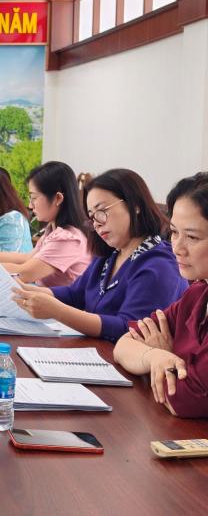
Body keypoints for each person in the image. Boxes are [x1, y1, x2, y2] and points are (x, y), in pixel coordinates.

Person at [12, 168, 187, 342]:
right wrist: (23, 290)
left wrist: (57, 311)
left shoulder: (160, 265)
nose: (97, 223)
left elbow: (130, 328)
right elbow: (74, 294)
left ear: (135, 205)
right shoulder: (110, 255)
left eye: (102, 211)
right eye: (92, 217)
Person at [114, 172, 208, 418]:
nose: (177, 247)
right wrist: (156, 355)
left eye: (192, 237)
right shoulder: (197, 294)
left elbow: (185, 400)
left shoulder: (156, 265)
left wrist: (169, 358)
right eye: (174, 232)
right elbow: (123, 345)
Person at [0, 162, 91, 287]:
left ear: (58, 198)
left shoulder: (67, 239)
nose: (30, 205)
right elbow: (27, 258)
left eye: (34, 198)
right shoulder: (52, 231)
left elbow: (24, 273)